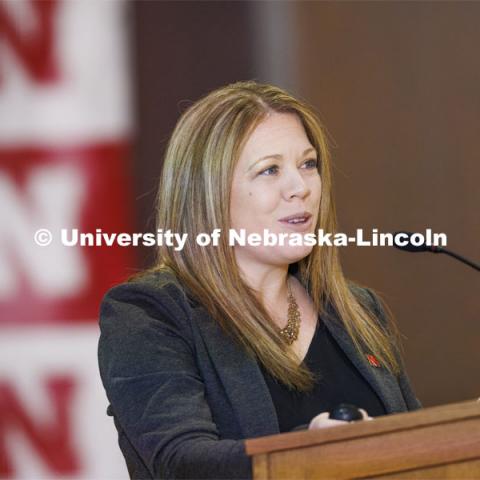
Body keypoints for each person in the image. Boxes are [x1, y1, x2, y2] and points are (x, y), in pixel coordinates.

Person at [98, 81, 421, 480]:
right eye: (270, 170)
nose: (300, 188)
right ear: (209, 193)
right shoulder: (149, 316)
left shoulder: (358, 311)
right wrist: (307, 452)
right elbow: (183, 463)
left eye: (308, 164)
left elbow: (418, 448)